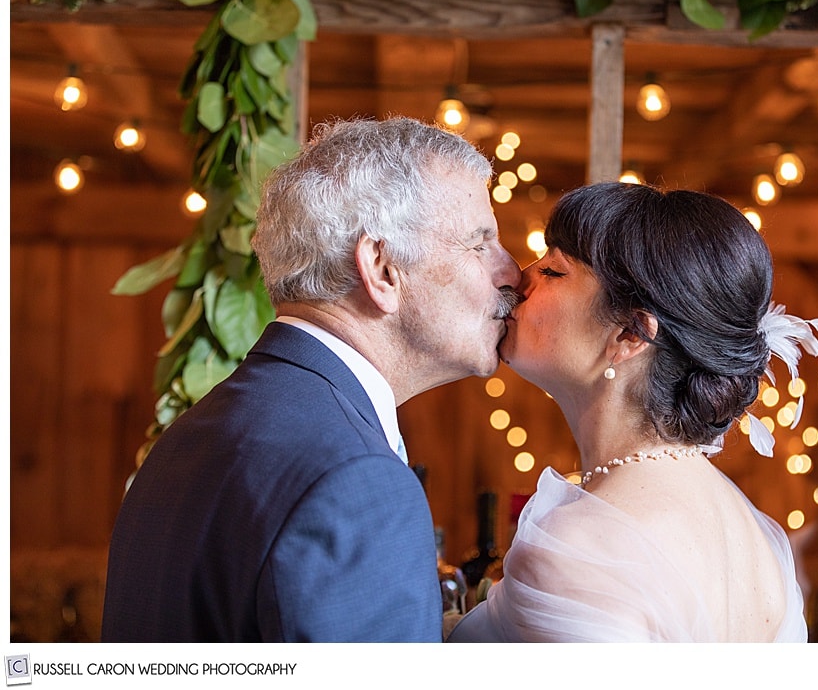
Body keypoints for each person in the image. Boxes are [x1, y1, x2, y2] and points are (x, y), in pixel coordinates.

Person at [101, 116, 522, 642]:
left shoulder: (190, 436)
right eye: (480, 244)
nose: (513, 273)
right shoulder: (358, 480)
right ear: (383, 268)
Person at [447, 182, 818, 642]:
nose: (520, 277)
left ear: (630, 334)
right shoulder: (760, 545)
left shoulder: (582, 549)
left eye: (553, 271)